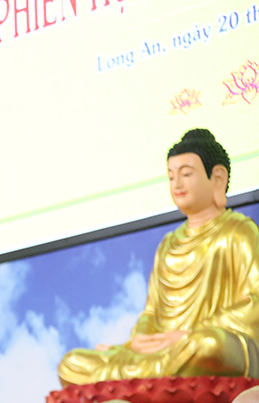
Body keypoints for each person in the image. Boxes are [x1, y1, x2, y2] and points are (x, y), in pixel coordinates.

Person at [58, 129, 259, 385]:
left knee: (209, 346)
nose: (177, 184)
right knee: (71, 364)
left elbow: (255, 302)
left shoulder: (238, 230)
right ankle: (152, 373)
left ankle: (138, 377)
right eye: (171, 176)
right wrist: (141, 339)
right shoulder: (168, 244)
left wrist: (186, 335)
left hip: (198, 346)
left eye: (187, 174)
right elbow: (151, 312)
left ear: (217, 178)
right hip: (163, 353)